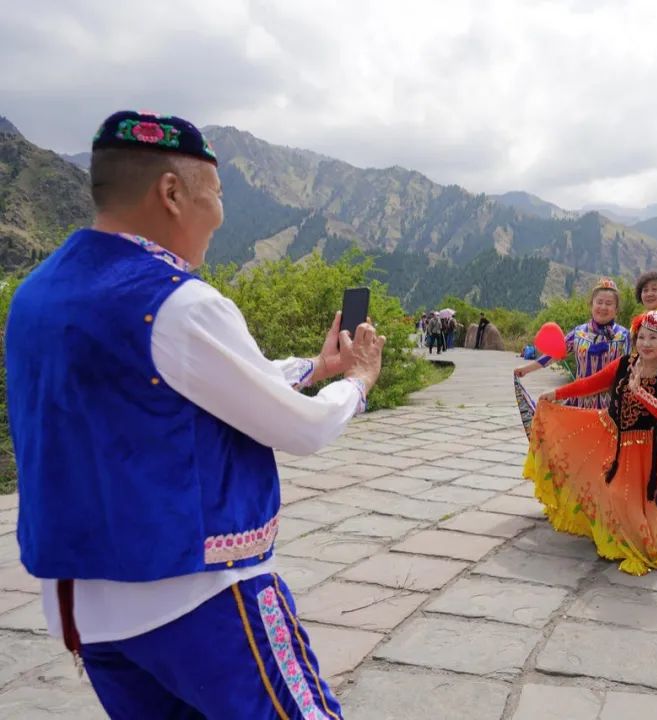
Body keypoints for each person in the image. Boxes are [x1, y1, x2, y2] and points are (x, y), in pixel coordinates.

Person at [5, 110, 386, 717]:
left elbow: (186, 385)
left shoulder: (36, 295)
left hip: (84, 608)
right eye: (216, 194)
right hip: (199, 597)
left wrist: (314, 369)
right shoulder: (176, 301)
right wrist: (359, 383)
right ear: (172, 192)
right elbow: (303, 427)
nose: (219, 216)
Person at [525, 311, 657, 575]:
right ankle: (612, 536)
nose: (646, 344)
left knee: (630, 503)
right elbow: (590, 384)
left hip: (645, 453)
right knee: (609, 493)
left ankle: (634, 539)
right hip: (611, 439)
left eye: (654, 338)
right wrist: (557, 393)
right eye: (642, 337)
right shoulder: (624, 363)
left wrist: (641, 394)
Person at [514, 278, 631, 409]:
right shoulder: (579, 333)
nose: (603, 307)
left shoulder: (624, 336)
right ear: (591, 305)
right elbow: (553, 355)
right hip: (579, 402)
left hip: (610, 406)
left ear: (616, 309)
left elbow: (627, 372)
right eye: (599, 302)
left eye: (609, 303)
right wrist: (525, 369)